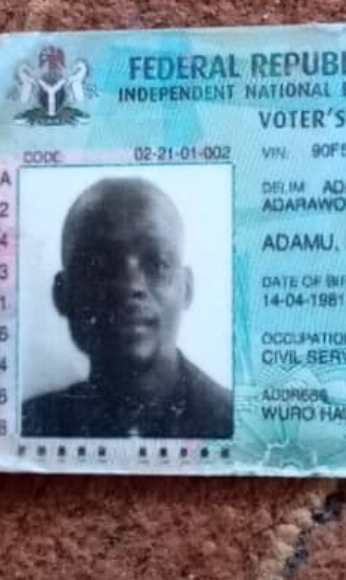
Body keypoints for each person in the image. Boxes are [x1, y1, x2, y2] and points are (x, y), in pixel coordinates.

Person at [21, 177, 233, 439]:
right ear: (62, 293)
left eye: (157, 264)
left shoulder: (238, 424)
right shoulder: (30, 425)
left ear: (187, 288)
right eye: (98, 264)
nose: (130, 286)